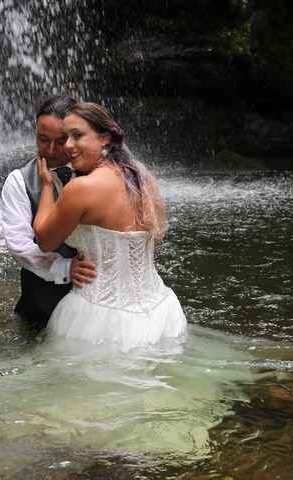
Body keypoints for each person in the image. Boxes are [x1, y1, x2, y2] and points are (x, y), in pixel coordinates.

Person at [33, 102, 187, 351]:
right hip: (162, 313)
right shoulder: (144, 178)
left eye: (77, 135)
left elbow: (45, 240)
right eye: (65, 138)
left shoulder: (82, 189)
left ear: (104, 138)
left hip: (99, 318)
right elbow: (158, 237)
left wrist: (47, 186)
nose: (68, 146)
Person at [1, 95, 97, 329]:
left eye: (61, 140)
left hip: (98, 302)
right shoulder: (18, 181)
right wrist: (65, 269)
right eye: (43, 140)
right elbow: (19, 245)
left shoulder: (100, 173)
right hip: (42, 306)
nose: (52, 150)